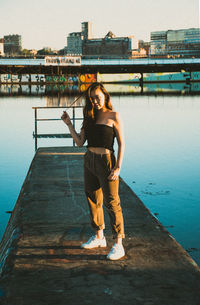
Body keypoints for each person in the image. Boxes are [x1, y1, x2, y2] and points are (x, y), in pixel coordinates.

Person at [61, 82, 125, 260]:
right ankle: (99, 237)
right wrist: (68, 124)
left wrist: (118, 167)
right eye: (92, 98)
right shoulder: (88, 116)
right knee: (92, 198)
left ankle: (118, 244)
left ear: (105, 95)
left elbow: (121, 143)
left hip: (106, 161)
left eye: (98, 97)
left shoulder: (113, 115)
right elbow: (80, 142)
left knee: (112, 202)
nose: (95, 101)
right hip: (89, 160)